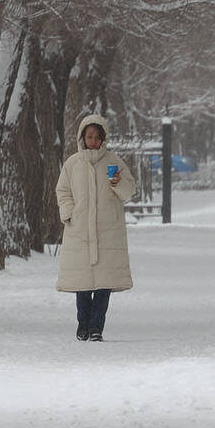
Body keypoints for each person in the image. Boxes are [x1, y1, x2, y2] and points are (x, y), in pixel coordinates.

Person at [55, 114, 136, 341]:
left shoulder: (114, 162)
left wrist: (118, 183)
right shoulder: (72, 164)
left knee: (103, 284)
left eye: (96, 137)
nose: (92, 141)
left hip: (107, 231)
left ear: (103, 138)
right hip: (79, 230)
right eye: (89, 136)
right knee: (82, 283)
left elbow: (129, 191)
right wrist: (68, 213)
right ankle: (83, 325)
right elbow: (62, 191)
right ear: (82, 137)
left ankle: (96, 328)